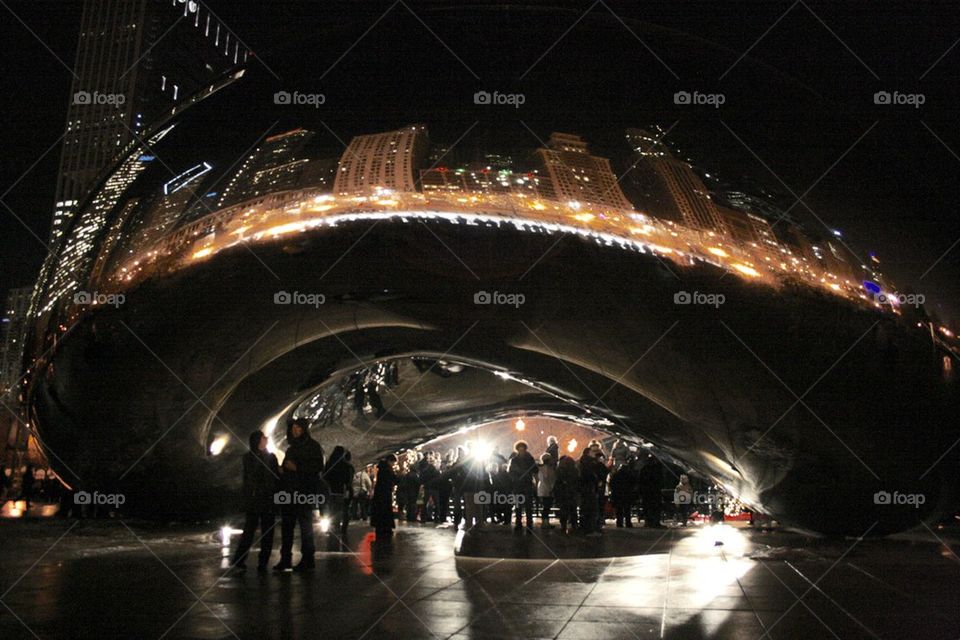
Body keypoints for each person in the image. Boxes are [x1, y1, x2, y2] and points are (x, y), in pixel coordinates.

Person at [274, 418, 325, 573]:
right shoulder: (292, 448)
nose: (295, 430)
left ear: (303, 429)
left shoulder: (313, 446)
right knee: (287, 527)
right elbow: (287, 466)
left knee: (305, 527)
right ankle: (285, 559)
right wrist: (283, 470)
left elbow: (317, 467)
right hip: (289, 492)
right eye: (293, 428)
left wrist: (297, 468)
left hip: (304, 493)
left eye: (297, 428)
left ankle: (308, 559)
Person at [231, 430, 280, 573]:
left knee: (263, 531)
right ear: (258, 441)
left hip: (265, 498)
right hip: (258, 498)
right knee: (252, 531)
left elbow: (274, 477)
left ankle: (259, 561)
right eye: (264, 438)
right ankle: (242, 560)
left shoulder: (267, 457)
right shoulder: (252, 458)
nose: (266, 439)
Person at [323, 446, 354, 538]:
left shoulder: (329, 464)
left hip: (330, 490)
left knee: (331, 509)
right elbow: (349, 480)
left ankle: (331, 527)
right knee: (342, 509)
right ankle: (341, 528)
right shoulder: (346, 465)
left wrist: (328, 485)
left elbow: (324, 476)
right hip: (342, 490)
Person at [507, 440, 537, 531]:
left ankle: (523, 524)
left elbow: (510, 472)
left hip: (521, 484)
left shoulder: (516, 460)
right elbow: (535, 470)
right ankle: (525, 524)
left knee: (523, 506)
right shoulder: (528, 459)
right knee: (523, 506)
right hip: (523, 484)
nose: (521, 451)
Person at [371, 454, 398, 540]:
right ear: (390, 461)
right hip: (385, 493)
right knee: (385, 510)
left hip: (380, 493)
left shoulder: (382, 468)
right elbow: (393, 479)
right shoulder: (387, 469)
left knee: (380, 510)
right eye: (393, 463)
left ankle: (381, 527)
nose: (393, 465)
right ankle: (386, 527)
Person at [578, 449, 602, 536]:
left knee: (585, 509)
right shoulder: (590, 463)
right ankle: (590, 529)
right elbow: (592, 475)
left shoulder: (581, 463)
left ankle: (585, 528)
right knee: (591, 509)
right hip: (590, 488)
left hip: (584, 489)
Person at [610, 457, 639, 527]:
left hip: (618, 494)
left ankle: (619, 523)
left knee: (619, 510)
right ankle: (628, 523)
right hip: (627, 494)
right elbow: (634, 483)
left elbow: (612, 484)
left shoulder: (616, 475)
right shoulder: (629, 475)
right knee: (627, 509)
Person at [554, 455, 579, 534]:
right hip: (572, 492)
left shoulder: (560, 470)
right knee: (573, 509)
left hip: (563, 493)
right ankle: (574, 524)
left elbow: (557, 481)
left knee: (563, 509)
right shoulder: (574, 470)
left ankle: (563, 525)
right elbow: (577, 480)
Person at [638, 455, 664, 528]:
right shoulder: (656, 469)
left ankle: (649, 521)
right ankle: (654, 522)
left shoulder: (644, 469)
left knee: (648, 507)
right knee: (654, 507)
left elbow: (640, 481)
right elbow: (660, 479)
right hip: (653, 491)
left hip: (647, 491)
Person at [418, 453, 441, 523]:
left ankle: (423, 519)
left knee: (424, 504)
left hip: (427, 488)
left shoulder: (425, 470)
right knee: (436, 504)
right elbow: (439, 480)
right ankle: (436, 518)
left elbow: (421, 479)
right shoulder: (437, 471)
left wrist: (425, 484)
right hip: (435, 489)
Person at [536, 453, 557, 528]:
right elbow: (545, 480)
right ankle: (545, 523)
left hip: (545, 489)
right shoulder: (545, 468)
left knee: (546, 507)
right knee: (546, 507)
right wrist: (550, 489)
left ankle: (545, 522)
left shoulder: (543, 468)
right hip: (546, 490)